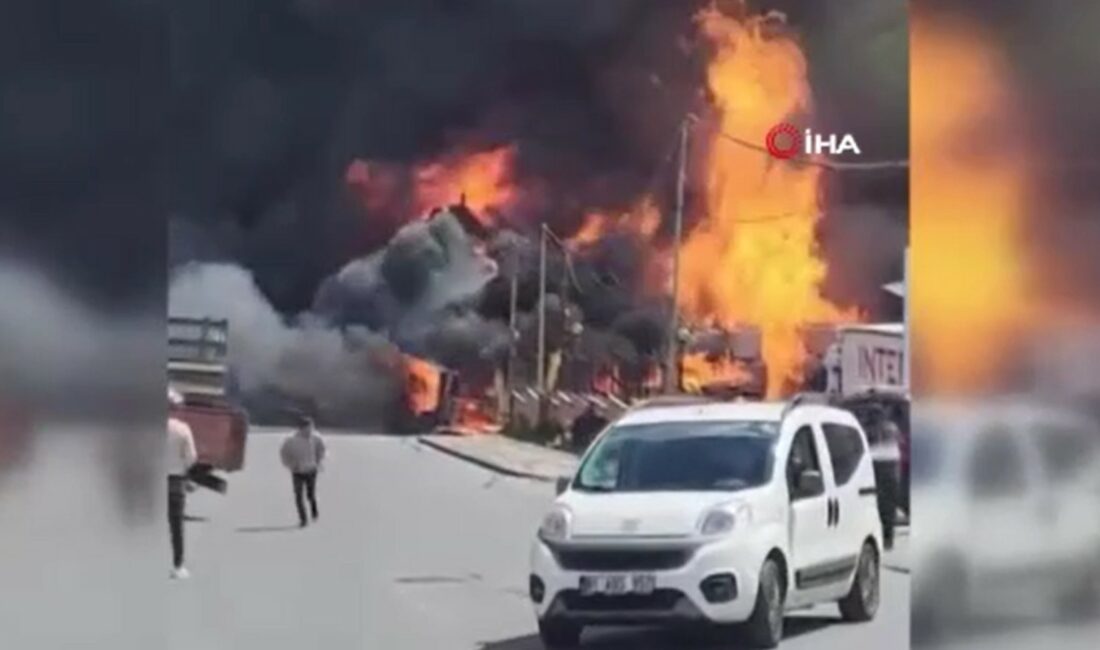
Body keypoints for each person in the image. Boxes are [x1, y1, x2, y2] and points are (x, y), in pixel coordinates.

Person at [167, 388, 197, 579]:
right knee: (176, 525)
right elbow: (192, 457)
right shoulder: (182, 429)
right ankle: (178, 566)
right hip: (175, 481)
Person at [280, 415, 327, 527]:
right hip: (297, 471)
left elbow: (322, 450)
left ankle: (314, 511)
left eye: (311, 427)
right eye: (307, 428)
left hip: (311, 470)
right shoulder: (291, 440)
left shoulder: (316, 438)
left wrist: (319, 461)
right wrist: (291, 465)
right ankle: (303, 519)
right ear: (301, 428)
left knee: (310, 495)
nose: (309, 430)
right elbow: (284, 454)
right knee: (298, 496)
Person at [869, 414, 902, 550]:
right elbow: (899, 442)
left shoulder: (873, 431)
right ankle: (888, 540)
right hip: (891, 468)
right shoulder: (892, 428)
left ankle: (882, 538)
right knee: (889, 508)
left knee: (878, 506)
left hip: (878, 465)